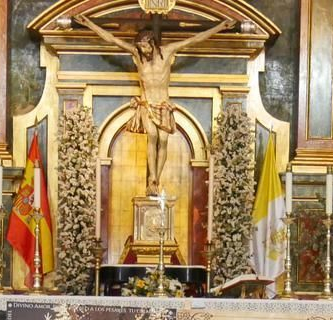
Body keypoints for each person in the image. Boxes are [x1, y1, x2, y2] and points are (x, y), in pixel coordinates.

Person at [73, 13, 236, 195]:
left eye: (144, 45)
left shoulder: (167, 52)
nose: (143, 50)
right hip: (146, 104)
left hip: (163, 104)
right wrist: (88, 23)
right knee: (151, 135)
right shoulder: (137, 55)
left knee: (164, 140)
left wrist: (221, 27)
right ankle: (152, 178)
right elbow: (112, 40)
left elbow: (194, 39)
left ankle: (157, 178)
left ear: (152, 42)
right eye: (140, 47)